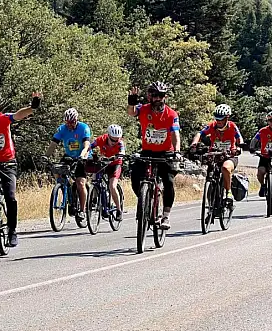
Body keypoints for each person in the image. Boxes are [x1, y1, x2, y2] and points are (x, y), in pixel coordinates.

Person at [0, 92, 42, 247]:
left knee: (10, 196)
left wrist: (32, 107)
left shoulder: (3, 119)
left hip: (7, 163)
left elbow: (19, 115)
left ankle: (12, 230)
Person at [127, 81, 181, 230]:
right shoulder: (144, 109)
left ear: (165, 97)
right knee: (135, 176)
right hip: (148, 151)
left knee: (168, 181)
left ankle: (165, 216)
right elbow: (131, 112)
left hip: (166, 152)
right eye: (155, 95)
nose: (158, 98)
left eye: (161, 96)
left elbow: (175, 134)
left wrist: (176, 151)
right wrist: (131, 101)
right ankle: (146, 201)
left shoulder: (171, 114)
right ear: (150, 96)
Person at [190, 104, 244, 202]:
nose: (218, 121)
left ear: (227, 118)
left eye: (221, 119)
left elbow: (239, 138)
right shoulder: (212, 125)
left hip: (230, 155)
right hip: (214, 155)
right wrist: (194, 144)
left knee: (225, 168)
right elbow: (200, 134)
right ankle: (211, 207)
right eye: (217, 118)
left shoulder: (232, 126)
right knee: (210, 174)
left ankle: (228, 192)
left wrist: (239, 147)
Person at [45, 108, 92, 219]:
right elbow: (53, 144)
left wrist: (82, 155)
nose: (69, 125)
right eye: (67, 122)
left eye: (72, 122)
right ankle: (64, 187)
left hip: (83, 156)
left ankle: (82, 210)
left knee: (80, 182)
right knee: (56, 170)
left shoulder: (84, 128)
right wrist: (45, 156)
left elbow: (86, 145)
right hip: (69, 156)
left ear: (76, 120)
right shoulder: (62, 129)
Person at [89, 124, 126, 221]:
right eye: (113, 140)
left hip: (115, 164)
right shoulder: (102, 139)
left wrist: (119, 155)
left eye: (117, 140)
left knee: (112, 186)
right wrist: (85, 153)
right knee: (94, 177)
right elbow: (90, 146)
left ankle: (119, 210)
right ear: (108, 136)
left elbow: (122, 151)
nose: (115, 142)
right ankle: (94, 198)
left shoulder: (120, 143)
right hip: (104, 162)